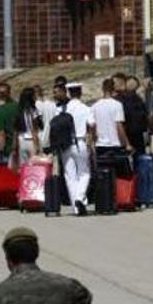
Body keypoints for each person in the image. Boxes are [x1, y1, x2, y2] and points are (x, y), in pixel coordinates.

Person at [62, 83, 94, 216]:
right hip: (80, 142)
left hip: (65, 143)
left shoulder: (63, 109)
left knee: (70, 175)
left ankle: (76, 205)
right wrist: (91, 142)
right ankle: (80, 198)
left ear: (69, 93)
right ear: (80, 93)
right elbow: (92, 125)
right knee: (84, 172)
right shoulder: (85, 108)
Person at [89, 78, 131, 169]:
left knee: (104, 175)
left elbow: (92, 126)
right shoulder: (117, 105)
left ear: (102, 89)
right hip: (114, 145)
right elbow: (119, 126)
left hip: (100, 145)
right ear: (113, 89)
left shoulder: (94, 106)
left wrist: (92, 142)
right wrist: (127, 143)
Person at [13, 87, 44, 165]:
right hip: (31, 141)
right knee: (34, 165)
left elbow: (15, 130)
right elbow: (34, 129)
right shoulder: (33, 111)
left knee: (24, 166)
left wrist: (15, 146)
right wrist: (36, 145)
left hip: (22, 140)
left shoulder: (19, 111)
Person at [120, 76, 149, 159]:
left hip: (127, 133)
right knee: (139, 158)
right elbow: (145, 116)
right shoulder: (139, 100)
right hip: (139, 134)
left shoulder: (122, 100)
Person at [0, 84, 20, 168]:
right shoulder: (17, 106)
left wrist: (1, 150)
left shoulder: (0, 113)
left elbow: (1, 134)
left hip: (10, 147)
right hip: (23, 143)